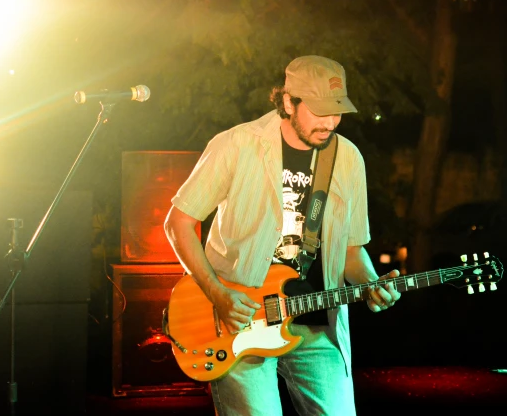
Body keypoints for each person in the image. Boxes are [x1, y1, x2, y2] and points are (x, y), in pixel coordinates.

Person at [164, 55, 401, 415]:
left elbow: (352, 249)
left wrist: (372, 283)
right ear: (289, 102)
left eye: (337, 112)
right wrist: (218, 294)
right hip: (240, 322)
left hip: (318, 325)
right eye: (320, 111)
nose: (330, 123)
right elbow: (177, 223)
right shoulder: (237, 144)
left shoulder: (348, 159)